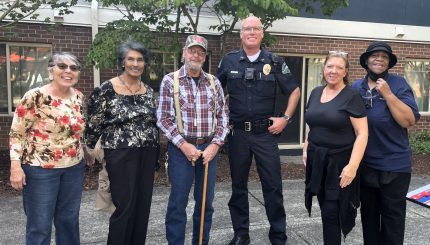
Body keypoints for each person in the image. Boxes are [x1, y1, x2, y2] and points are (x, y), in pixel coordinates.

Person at [216, 16, 300, 245]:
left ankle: (278, 235)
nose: (251, 32)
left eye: (255, 28)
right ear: (241, 34)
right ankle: (241, 233)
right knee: (238, 187)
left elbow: (294, 91)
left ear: (262, 33)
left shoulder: (274, 61)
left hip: (265, 134)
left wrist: (285, 118)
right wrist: (221, 121)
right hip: (239, 135)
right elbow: (214, 91)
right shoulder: (229, 61)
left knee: (273, 186)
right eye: (246, 29)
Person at [9, 52, 93, 245]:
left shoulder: (78, 96)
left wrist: (85, 149)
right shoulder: (35, 97)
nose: (68, 71)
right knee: (40, 225)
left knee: (69, 221)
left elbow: (75, 129)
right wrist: (15, 167)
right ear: (51, 70)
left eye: (73, 68)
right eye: (62, 66)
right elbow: (17, 133)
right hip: (40, 169)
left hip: (73, 167)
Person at [85, 40, 159, 244]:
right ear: (123, 62)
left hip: (147, 153)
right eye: (131, 59)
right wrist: (90, 150)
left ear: (144, 63)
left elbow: (153, 123)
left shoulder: (148, 90)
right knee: (124, 207)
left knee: (142, 207)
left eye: (140, 60)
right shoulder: (106, 89)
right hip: (120, 153)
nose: (135, 64)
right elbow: (93, 125)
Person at [157, 35, 229, 245]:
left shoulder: (214, 82)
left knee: (206, 203)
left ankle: (201, 242)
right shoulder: (170, 80)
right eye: (192, 50)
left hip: (209, 149)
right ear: (184, 54)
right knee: (178, 203)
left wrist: (215, 145)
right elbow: (163, 119)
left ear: (204, 57)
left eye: (200, 52)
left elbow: (223, 117)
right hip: (181, 150)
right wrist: (184, 145)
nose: (196, 55)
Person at [352, 41, 421, 245]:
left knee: (393, 221)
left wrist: (389, 95)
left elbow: (408, 121)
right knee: (369, 219)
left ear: (389, 63)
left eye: (384, 57)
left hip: (395, 167)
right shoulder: (357, 87)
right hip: (366, 166)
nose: (379, 59)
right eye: (374, 55)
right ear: (366, 61)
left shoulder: (398, 84)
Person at [303, 51, 368, 244]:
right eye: (330, 66)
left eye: (339, 67)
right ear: (324, 69)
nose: (333, 71)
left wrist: (353, 166)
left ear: (345, 72)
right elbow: (313, 125)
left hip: (339, 164)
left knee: (332, 212)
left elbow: (362, 133)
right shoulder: (316, 92)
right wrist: (306, 149)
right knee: (325, 208)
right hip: (318, 160)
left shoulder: (352, 95)